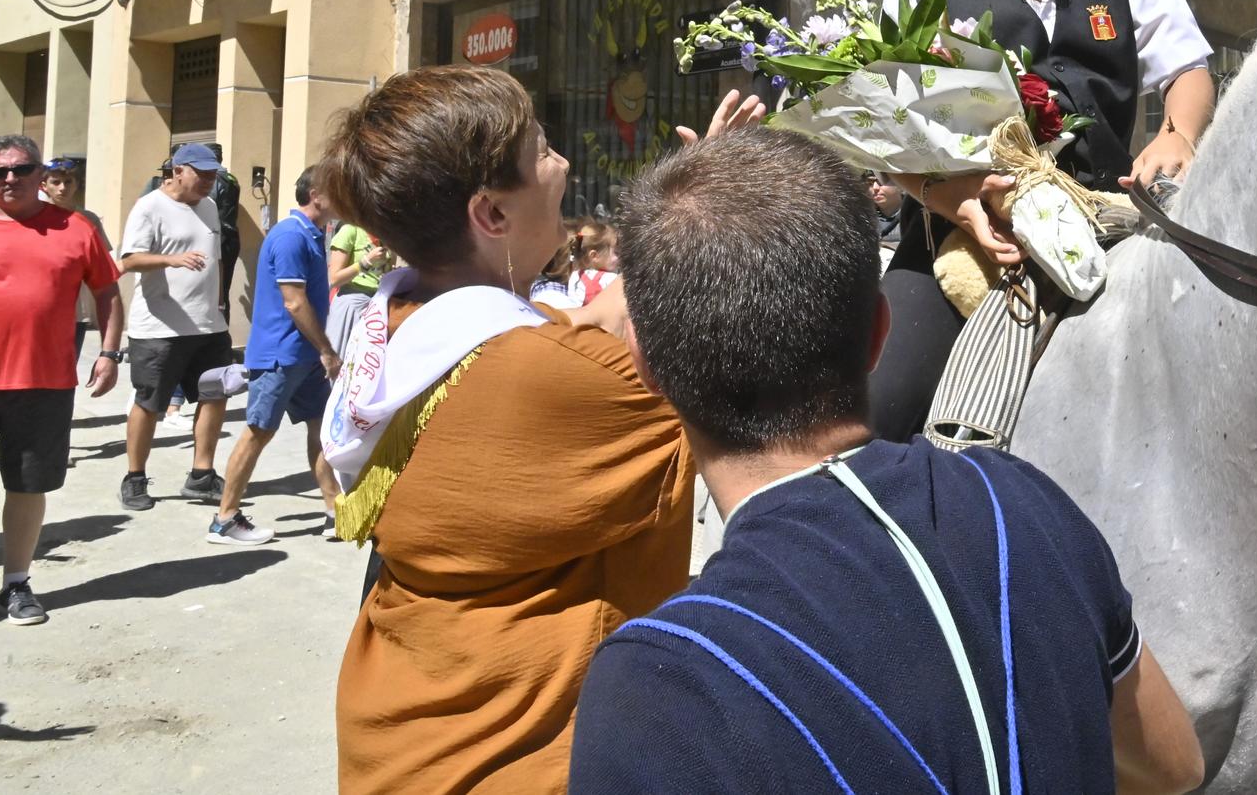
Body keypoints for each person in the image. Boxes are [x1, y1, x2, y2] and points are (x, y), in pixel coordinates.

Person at [570, 129, 1204, 794]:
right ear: (879, 331)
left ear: (645, 366)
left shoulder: (654, 683)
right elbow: (1175, 764)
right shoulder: (1028, 506)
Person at [322, 66, 706, 795]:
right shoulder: (546, 372)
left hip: (408, 731)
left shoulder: (402, 326)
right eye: (543, 146)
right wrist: (708, 218)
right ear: (491, 213)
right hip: (521, 757)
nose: (561, 161)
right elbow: (679, 372)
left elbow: (583, 325)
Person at [870, 0, 1217, 440]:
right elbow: (891, 134)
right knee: (871, 410)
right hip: (961, 234)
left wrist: (1177, 135)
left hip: (1108, 219)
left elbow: (1186, 69)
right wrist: (958, 202)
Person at [0, 135, 122, 626]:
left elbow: (108, 293)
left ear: (38, 172)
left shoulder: (76, 228)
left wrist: (110, 352)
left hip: (44, 384)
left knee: (28, 488)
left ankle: (15, 582)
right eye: (0, 171)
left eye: (23, 169)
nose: (11, 179)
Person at [209, 167, 342, 545]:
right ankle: (224, 520)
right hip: (280, 356)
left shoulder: (312, 234)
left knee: (321, 429)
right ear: (316, 193)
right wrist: (327, 350)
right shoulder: (289, 236)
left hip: (305, 357)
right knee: (258, 432)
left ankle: (335, 512)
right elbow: (294, 301)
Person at [116, 142, 234, 512]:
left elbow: (215, 261)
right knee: (150, 403)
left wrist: (218, 304)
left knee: (216, 397)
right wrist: (171, 259)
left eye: (213, 175)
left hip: (208, 326)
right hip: (159, 328)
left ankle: (201, 475)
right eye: (202, 174)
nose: (209, 181)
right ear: (178, 170)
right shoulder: (150, 207)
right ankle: (134, 477)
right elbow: (129, 260)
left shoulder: (211, 206)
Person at [42, 160, 112, 360]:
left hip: (76, 310)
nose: (63, 188)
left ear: (77, 184)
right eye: (56, 182)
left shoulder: (88, 219)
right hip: (40, 307)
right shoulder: (32, 217)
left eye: (68, 182)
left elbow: (103, 264)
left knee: (66, 369)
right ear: (44, 185)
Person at [326, 219, 391, 356]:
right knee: (340, 362)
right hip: (351, 306)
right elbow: (334, 279)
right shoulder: (350, 230)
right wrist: (365, 262)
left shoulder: (386, 236)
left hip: (376, 307)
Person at [569, 218, 619, 306]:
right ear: (594, 256)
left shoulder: (574, 276)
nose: (619, 257)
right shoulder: (612, 279)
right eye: (616, 252)